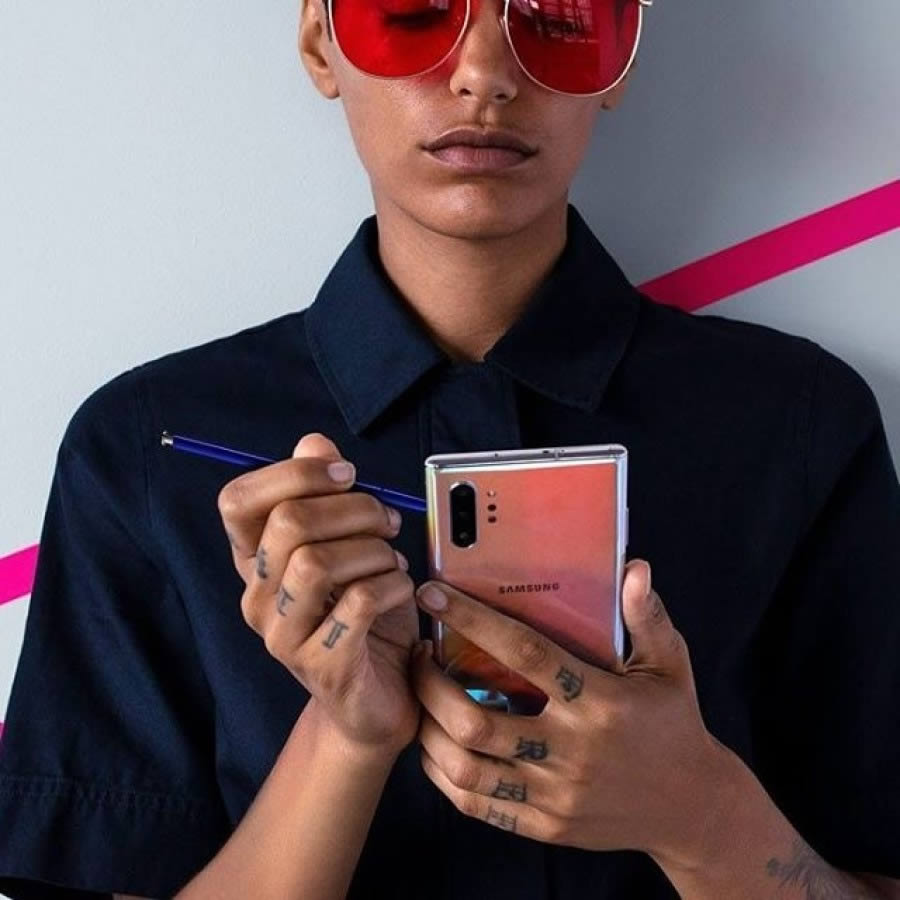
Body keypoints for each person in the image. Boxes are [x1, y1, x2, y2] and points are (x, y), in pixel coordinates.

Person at [1, 0, 899, 897]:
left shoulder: (800, 426)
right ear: (320, 41)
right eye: (415, 13)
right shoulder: (147, 450)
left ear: (621, 55)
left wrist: (696, 813)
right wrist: (343, 735)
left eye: (554, 18)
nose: (485, 76)